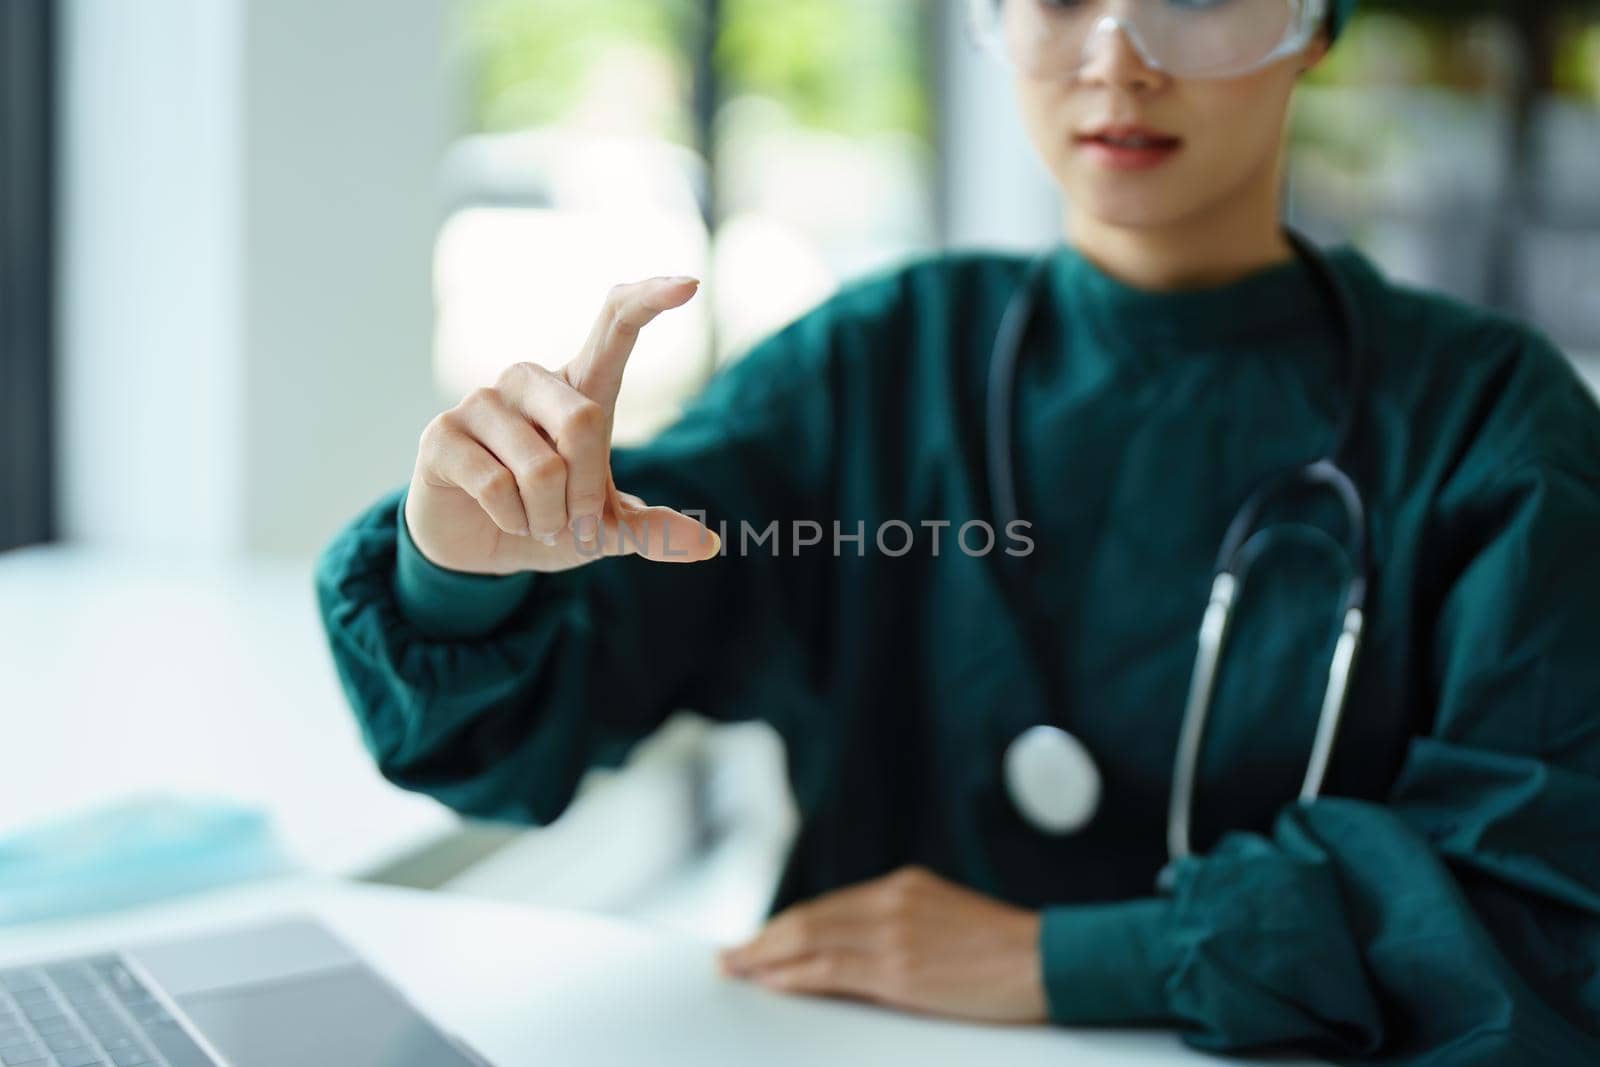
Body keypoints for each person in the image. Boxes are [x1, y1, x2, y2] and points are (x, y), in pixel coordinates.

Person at [316, 1, 1600, 1062]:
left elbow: (1545, 907)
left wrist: (1073, 957)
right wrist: (464, 568)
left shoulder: (1491, 421)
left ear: (1311, 26)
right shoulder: (874, 367)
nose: (1116, 58)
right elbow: (512, 726)